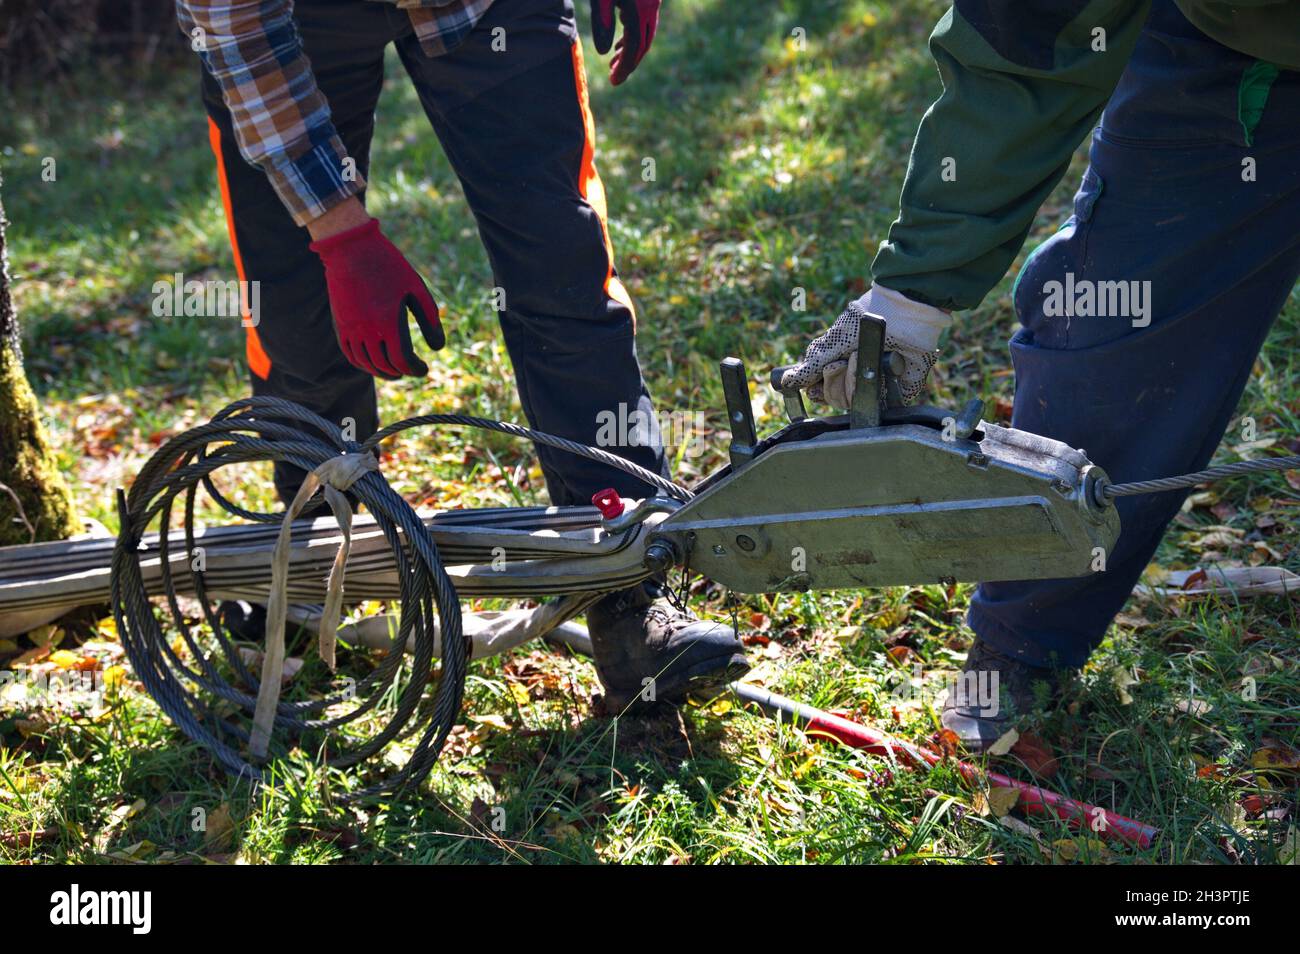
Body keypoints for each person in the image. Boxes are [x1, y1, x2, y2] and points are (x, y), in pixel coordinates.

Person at [177, 0, 749, 710]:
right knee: (296, 318)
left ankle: (630, 594)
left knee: (563, 272)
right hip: (291, 21)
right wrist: (340, 235)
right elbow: (239, 31)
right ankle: (310, 571)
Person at [781, 0, 1299, 749]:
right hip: (1235, 51)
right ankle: (1027, 641)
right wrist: (909, 301)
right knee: (1112, 322)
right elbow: (1023, 45)